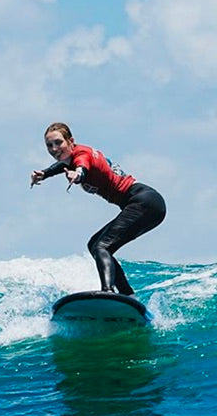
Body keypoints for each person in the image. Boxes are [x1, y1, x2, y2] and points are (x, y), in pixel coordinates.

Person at [30, 122, 166, 296]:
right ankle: (127, 295)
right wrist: (44, 173)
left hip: (143, 202)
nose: (54, 148)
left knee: (101, 247)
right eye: (49, 145)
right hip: (147, 204)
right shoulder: (73, 157)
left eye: (58, 143)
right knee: (94, 245)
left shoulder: (82, 156)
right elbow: (64, 165)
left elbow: (81, 168)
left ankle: (108, 292)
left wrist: (77, 176)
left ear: (71, 141)